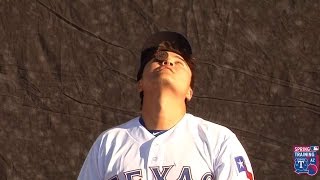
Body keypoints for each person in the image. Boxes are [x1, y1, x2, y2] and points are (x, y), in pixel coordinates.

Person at [78, 31, 254, 180]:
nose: (167, 62)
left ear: (189, 91)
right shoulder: (109, 143)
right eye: (157, 60)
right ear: (140, 83)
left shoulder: (218, 139)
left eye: (178, 62)